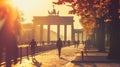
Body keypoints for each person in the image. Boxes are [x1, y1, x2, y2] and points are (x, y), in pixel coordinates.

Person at [0, 0, 21, 67]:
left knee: (8, 60)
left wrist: (15, 57)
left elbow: (13, 43)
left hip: (7, 59)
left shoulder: (9, 28)